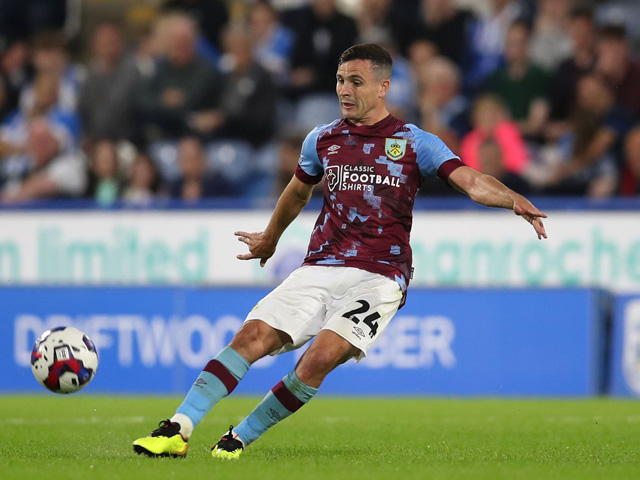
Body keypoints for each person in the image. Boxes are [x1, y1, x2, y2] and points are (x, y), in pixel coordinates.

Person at [132, 44, 546, 460]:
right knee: (250, 336)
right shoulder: (322, 138)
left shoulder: (414, 142)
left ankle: (238, 437)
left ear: (383, 87)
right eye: (340, 80)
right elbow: (298, 191)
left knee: (319, 358)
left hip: (380, 275)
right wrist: (271, 237)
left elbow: (471, 181)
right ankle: (177, 429)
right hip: (320, 266)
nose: (344, 90)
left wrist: (510, 197)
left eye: (356, 82)